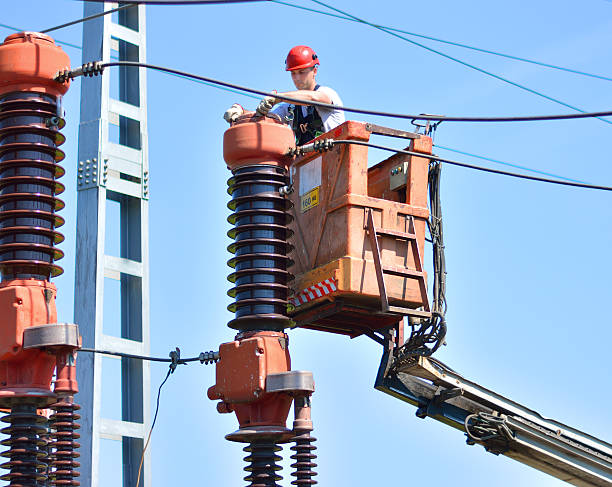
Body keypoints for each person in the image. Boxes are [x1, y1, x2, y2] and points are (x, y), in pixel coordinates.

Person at [224, 45, 345, 145]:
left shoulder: (328, 93)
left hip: (333, 164)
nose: (297, 78)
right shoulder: (290, 107)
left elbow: (314, 98)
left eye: (302, 72)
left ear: (314, 71)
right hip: (305, 169)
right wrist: (242, 112)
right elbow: (266, 120)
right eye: (293, 73)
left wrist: (278, 98)